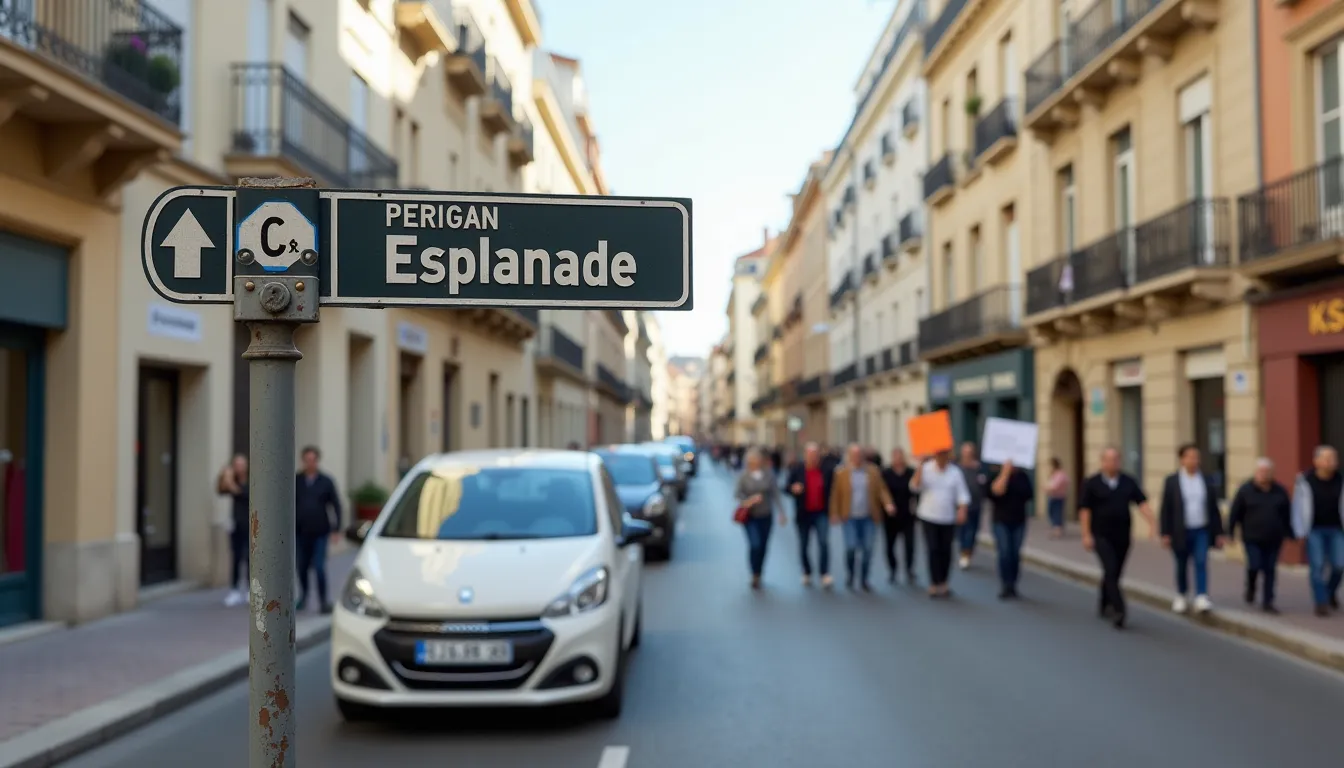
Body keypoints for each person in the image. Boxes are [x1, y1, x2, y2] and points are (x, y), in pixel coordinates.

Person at [1079, 446, 1156, 629]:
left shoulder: (1128, 482)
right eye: (1109, 459)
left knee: (1115, 572)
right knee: (1111, 569)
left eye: (1116, 459)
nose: (1112, 463)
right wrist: (1086, 534)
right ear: (1102, 462)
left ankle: (1104, 601)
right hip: (1101, 534)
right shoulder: (1092, 483)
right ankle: (1119, 610)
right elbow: (1084, 510)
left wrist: (1152, 523)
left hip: (1122, 535)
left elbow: (1141, 502)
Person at [1159, 444, 1226, 614]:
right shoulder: (1172, 481)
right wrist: (1165, 533)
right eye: (1190, 457)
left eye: (1196, 457)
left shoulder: (1206, 480)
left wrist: (1219, 532)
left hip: (1201, 528)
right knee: (1181, 564)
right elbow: (1166, 508)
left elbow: (1213, 507)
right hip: (1180, 530)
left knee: (1201, 561)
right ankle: (1181, 595)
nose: (1194, 461)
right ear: (1182, 459)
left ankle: (1201, 596)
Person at [1228, 457, 1292, 614]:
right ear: (1256, 473)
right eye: (1261, 472)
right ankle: (1251, 587)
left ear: (1272, 473)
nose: (1264, 475)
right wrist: (1229, 532)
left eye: (1267, 472)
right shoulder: (1245, 490)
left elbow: (1287, 513)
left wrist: (1290, 532)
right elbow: (1235, 513)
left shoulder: (1280, 491)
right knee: (1255, 565)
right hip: (1252, 537)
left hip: (1274, 537)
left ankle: (1268, 601)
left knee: (1270, 569)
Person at [828, 444, 895, 591]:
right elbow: (835, 495)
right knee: (851, 547)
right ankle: (851, 574)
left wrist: (888, 504)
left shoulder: (873, 472)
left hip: (869, 517)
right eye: (854, 455)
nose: (857, 458)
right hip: (849, 517)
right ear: (850, 457)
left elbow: (881, 490)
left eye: (860, 455)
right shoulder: (841, 473)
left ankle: (864, 578)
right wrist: (834, 513)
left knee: (868, 549)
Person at [1291, 445, 1344, 617]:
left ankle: (1329, 593)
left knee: (1339, 565)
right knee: (1318, 566)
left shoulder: (1341, 480)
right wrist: (1299, 531)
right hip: (1314, 530)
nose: (1330, 462)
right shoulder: (1305, 481)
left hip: (1337, 529)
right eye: (1326, 458)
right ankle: (1321, 602)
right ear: (1316, 461)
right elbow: (1297, 508)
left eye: (1333, 458)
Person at [911, 448, 970, 598]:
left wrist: (962, 509)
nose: (942, 458)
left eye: (945, 455)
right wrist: (919, 466)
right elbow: (914, 487)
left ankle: (943, 582)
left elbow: (962, 493)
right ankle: (933, 582)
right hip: (929, 515)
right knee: (933, 549)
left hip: (947, 517)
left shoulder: (955, 472)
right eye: (939, 455)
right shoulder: (926, 468)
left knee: (946, 550)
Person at [295, 446, 342, 614]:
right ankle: (303, 596)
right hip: (300, 532)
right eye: (307, 460)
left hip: (320, 531)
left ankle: (323, 601)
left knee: (319, 567)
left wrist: (336, 529)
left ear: (317, 461)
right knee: (301, 566)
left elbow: (335, 504)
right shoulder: (297, 481)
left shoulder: (325, 481)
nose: (310, 463)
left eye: (312, 460)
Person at [734, 447, 787, 589]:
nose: (754, 463)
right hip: (750, 517)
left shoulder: (768, 474)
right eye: (752, 461)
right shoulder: (743, 476)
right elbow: (737, 494)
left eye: (757, 461)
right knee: (755, 544)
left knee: (763, 545)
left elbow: (775, 493)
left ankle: (759, 571)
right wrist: (748, 500)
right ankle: (753, 572)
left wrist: (782, 512)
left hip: (766, 515)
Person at [786, 442, 834, 588]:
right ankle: (807, 571)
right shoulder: (798, 470)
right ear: (805, 455)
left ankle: (824, 573)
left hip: (821, 513)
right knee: (804, 545)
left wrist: (835, 510)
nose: (813, 458)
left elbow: (833, 491)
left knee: (823, 543)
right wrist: (793, 488)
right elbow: (786, 487)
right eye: (810, 455)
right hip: (804, 514)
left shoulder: (826, 470)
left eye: (816, 455)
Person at [988, 459, 1034, 599]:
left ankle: (1013, 584)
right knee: (1004, 552)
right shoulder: (995, 475)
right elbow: (996, 492)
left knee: (1015, 553)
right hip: (1001, 521)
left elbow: (1029, 495)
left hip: (1018, 520)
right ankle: (1005, 584)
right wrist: (1005, 474)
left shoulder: (1023, 477)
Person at [880, 448, 919, 585]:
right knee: (890, 545)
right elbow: (881, 490)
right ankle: (893, 569)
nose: (898, 459)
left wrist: (916, 507)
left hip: (907, 514)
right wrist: (887, 505)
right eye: (895, 456)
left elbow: (916, 490)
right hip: (891, 515)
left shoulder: (911, 472)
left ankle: (909, 569)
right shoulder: (886, 473)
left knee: (909, 544)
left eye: (900, 456)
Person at [217, 454, 249, 607]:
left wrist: (231, 483)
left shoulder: (250, 480)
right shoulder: (233, 480)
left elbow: (244, 494)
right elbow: (221, 490)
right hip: (236, 525)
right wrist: (224, 477)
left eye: (241, 464)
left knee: (251, 559)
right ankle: (235, 590)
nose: (239, 468)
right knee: (236, 558)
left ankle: (251, 590)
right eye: (236, 465)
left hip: (251, 525)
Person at [957, 442, 989, 570]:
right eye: (965, 453)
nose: (967, 456)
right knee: (962, 531)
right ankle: (964, 551)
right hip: (960, 506)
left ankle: (967, 552)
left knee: (972, 530)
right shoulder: (957, 469)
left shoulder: (979, 468)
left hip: (976, 505)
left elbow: (985, 485)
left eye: (970, 453)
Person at [1045, 457, 1070, 538]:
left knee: (1057, 513)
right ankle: (1056, 528)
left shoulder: (1060, 474)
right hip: (1053, 495)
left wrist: (1048, 488)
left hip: (1058, 496)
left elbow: (1057, 485)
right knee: (1052, 512)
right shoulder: (1054, 474)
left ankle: (1058, 529)